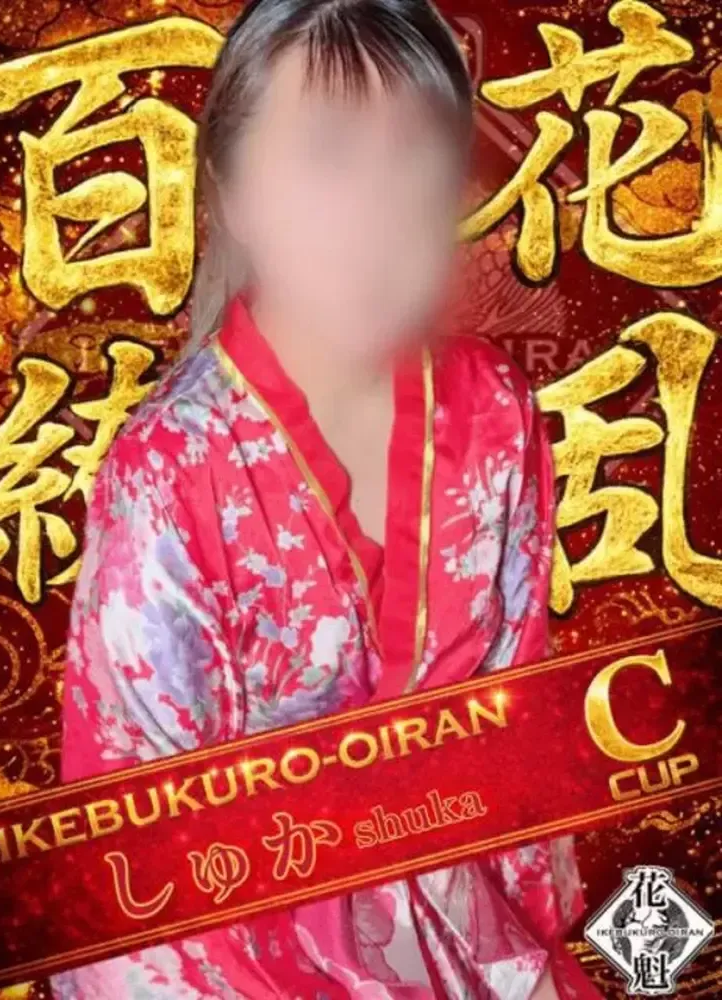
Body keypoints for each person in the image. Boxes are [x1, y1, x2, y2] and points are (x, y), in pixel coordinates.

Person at [53, 1, 602, 997]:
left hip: (470, 932)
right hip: (237, 955)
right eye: (326, 156)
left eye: (414, 157)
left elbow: (519, 724)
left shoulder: (494, 409)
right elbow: (133, 864)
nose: (375, 211)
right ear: (234, 192)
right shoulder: (169, 470)